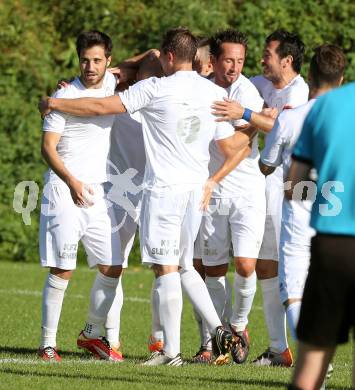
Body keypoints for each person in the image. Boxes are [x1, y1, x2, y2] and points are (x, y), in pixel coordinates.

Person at [39, 27, 254, 366]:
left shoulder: (154, 88)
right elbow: (231, 149)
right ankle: (218, 329)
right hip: (196, 192)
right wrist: (248, 135)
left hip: (164, 192)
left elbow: (97, 107)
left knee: (165, 270)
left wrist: (55, 102)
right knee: (184, 266)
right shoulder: (212, 92)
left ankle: (169, 352)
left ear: (169, 57)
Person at [212, 29, 309, 366]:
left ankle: (306, 350)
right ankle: (278, 349)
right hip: (264, 185)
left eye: (268, 54)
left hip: (291, 188)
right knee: (265, 267)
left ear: (287, 60)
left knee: (289, 270)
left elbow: (284, 124)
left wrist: (248, 114)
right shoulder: (258, 84)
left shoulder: (299, 89)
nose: (261, 60)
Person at [38, 30, 124, 362]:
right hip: (64, 190)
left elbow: (150, 57)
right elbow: (48, 149)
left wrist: (122, 70)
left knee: (113, 266)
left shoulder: (112, 85)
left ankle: (90, 334)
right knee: (63, 269)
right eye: (85, 59)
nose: (90, 66)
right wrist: (72, 181)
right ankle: (48, 344)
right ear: (78, 60)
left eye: (97, 60)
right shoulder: (65, 94)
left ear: (108, 61)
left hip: (98, 192)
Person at [259, 45, 346, 368]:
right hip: (339, 221)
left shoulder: (291, 118)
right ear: (341, 79)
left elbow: (266, 164)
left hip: (298, 219)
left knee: (294, 294)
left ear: (309, 75)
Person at [191, 29, 265, 364]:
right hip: (211, 190)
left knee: (247, 265)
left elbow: (242, 145)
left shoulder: (247, 91)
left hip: (247, 190)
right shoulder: (200, 89)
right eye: (228, 60)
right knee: (213, 268)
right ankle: (212, 339)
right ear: (214, 61)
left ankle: (238, 327)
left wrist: (246, 117)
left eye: (240, 61)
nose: (234, 67)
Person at [286, 74, 354, 390]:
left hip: (334, 248)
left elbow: (294, 186)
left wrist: (330, 192)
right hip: (333, 244)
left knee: (309, 371)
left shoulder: (327, 105)